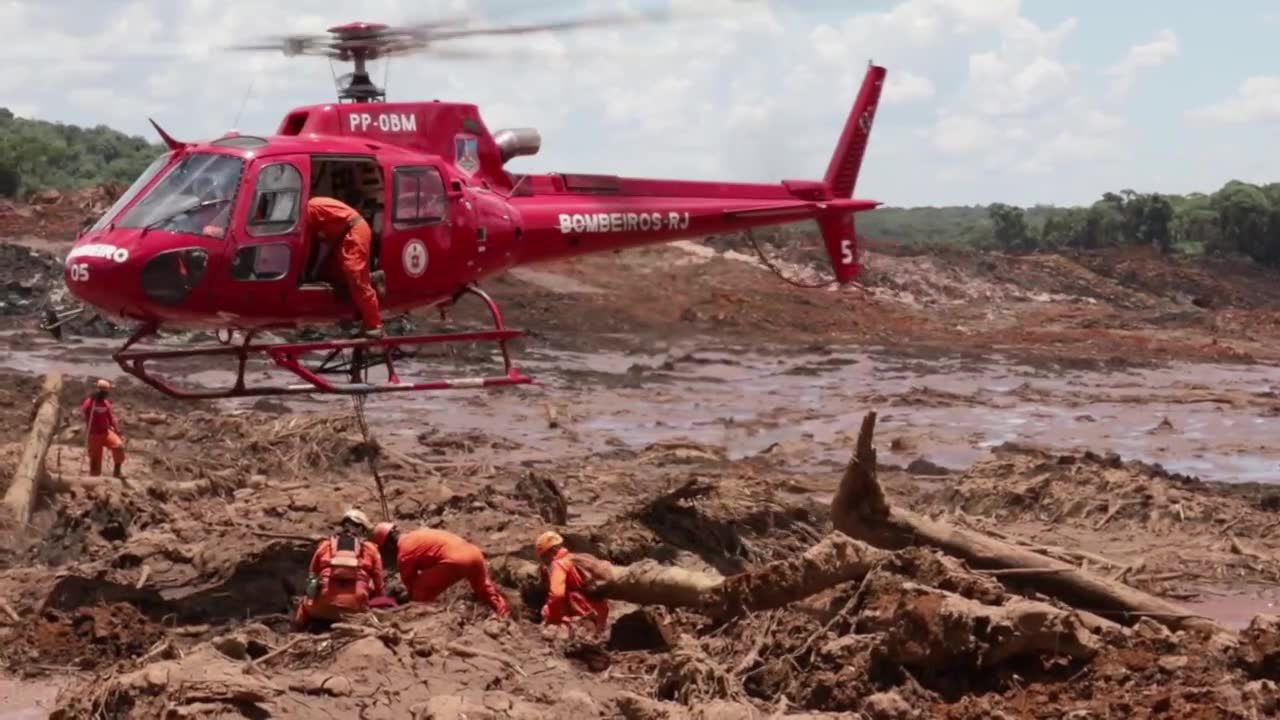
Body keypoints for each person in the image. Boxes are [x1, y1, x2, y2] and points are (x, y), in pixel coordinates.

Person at [371, 522, 509, 617]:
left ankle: (424, 617)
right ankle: (503, 615)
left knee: (420, 589)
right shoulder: (418, 535)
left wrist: (402, 601)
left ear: (388, 545)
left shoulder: (404, 553)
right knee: (484, 588)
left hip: (455, 561)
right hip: (474, 554)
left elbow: (411, 584)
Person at [304, 196, 383, 338]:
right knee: (336, 274)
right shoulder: (312, 206)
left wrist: (302, 271)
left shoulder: (309, 209)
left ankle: (375, 325)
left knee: (356, 277)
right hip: (344, 236)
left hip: (353, 233)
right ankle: (371, 280)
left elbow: (306, 242)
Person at [293, 509, 386, 630]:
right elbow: (379, 584)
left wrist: (310, 598)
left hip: (322, 607)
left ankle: (296, 631)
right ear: (361, 529)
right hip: (355, 610)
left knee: (303, 605)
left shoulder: (325, 545)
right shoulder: (371, 549)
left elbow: (312, 577)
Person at [536, 530, 609, 636]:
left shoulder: (559, 564)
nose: (544, 562)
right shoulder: (578, 559)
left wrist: (552, 617)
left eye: (543, 556)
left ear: (552, 550)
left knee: (546, 615)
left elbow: (557, 595)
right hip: (598, 614)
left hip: (581, 616)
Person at [81, 379, 124, 478]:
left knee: (119, 446)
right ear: (100, 391)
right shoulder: (90, 402)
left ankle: (117, 472)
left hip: (106, 432)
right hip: (94, 435)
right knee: (95, 459)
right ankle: (94, 478)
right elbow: (84, 410)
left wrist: (117, 429)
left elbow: (111, 418)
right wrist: (92, 401)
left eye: (107, 392)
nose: (107, 394)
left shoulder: (106, 403)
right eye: (105, 392)